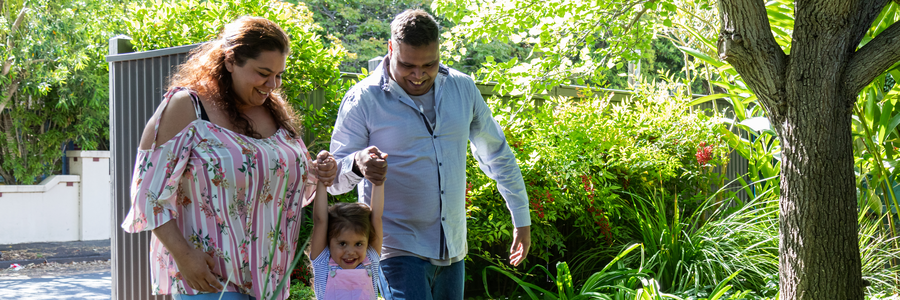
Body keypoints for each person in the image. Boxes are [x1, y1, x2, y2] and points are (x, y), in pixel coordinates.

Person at [120, 16, 336, 300]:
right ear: (231, 61)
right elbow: (147, 193)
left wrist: (322, 169)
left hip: (270, 282)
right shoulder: (188, 107)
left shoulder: (273, 110)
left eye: (279, 75)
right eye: (263, 72)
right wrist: (185, 257)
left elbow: (287, 180)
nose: (272, 84)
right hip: (210, 279)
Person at [328, 9, 531, 300]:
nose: (419, 75)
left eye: (430, 64)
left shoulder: (463, 88)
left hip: (453, 249)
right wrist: (357, 164)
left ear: (439, 51)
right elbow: (334, 180)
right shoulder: (364, 99)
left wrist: (521, 218)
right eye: (408, 65)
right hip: (395, 248)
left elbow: (497, 153)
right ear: (390, 49)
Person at [309, 151, 387, 300]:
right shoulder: (323, 262)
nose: (350, 251)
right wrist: (323, 179)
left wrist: (379, 180)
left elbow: (376, 217)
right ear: (328, 241)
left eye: (358, 243)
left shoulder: (369, 259)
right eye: (342, 243)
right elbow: (320, 220)